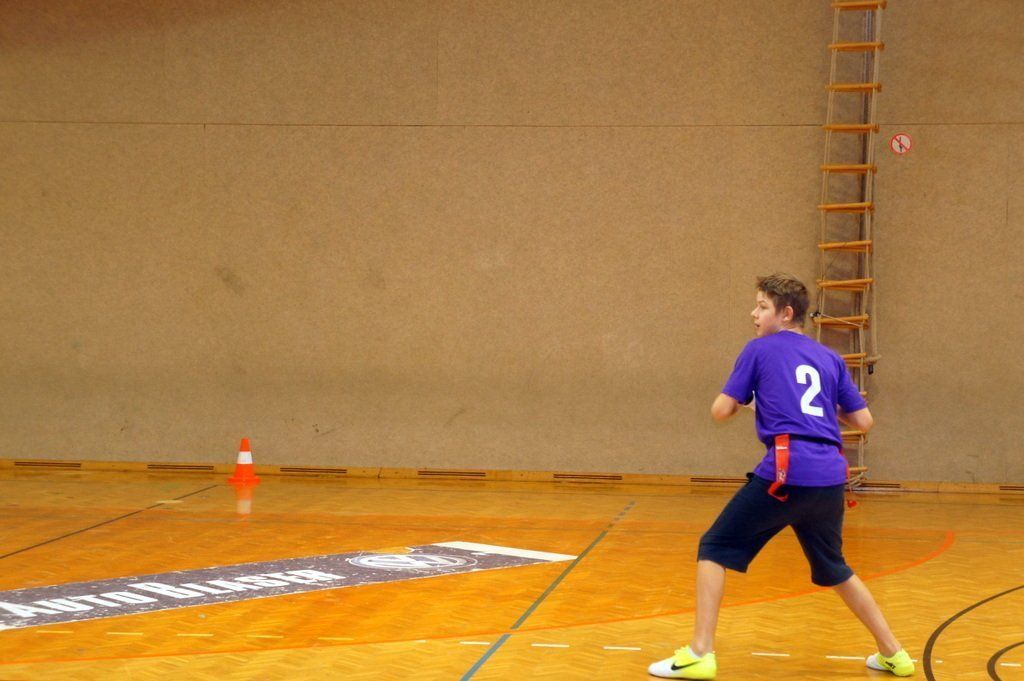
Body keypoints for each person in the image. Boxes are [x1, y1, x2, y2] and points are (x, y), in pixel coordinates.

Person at [648, 273, 914, 679]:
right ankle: (895, 654)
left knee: (714, 547)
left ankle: (700, 653)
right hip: (829, 477)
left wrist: (751, 401)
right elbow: (864, 421)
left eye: (762, 306)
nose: (753, 314)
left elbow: (720, 411)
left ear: (786, 313)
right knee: (835, 567)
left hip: (787, 472)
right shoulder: (829, 358)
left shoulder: (758, 350)